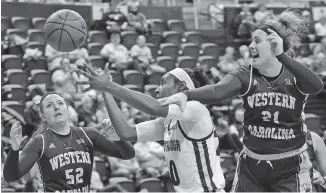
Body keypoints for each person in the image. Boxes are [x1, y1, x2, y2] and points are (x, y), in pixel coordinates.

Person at [157, 10, 324, 192]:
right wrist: (187, 95)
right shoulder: (244, 75)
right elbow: (217, 90)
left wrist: (281, 56)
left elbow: (317, 86)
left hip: (290, 165)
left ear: (275, 44)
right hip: (251, 165)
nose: (250, 45)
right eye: (251, 40)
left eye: (257, 41)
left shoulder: (294, 74)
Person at [77, 64, 226, 192]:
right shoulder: (168, 121)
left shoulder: (195, 109)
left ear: (181, 86)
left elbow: (153, 108)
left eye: (163, 83)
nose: (157, 89)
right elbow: (127, 133)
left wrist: (109, 85)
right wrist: (106, 90)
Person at [3, 92, 135, 192]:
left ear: (67, 109)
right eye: (50, 105)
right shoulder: (39, 141)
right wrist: (14, 149)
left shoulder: (88, 134)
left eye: (60, 103)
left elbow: (128, 154)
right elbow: (10, 176)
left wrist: (117, 138)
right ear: (43, 115)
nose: (56, 107)